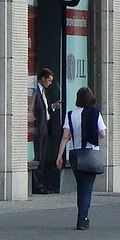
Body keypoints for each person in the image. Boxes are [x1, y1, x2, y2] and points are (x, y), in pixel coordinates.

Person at [56, 86, 107, 231]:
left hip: (74, 153)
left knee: (81, 186)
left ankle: (82, 215)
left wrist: (59, 156)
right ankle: (82, 219)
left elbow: (65, 136)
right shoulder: (95, 113)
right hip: (90, 153)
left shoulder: (70, 114)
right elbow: (102, 133)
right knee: (86, 187)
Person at [29, 67, 60, 194]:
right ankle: (37, 184)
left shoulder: (43, 92)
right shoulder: (35, 91)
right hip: (38, 129)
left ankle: (41, 183)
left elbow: (44, 109)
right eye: (49, 80)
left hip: (45, 128)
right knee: (39, 157)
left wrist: (52, 107)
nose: (50, 83)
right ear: (42, 78)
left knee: (43, 157)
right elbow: (34, 110)